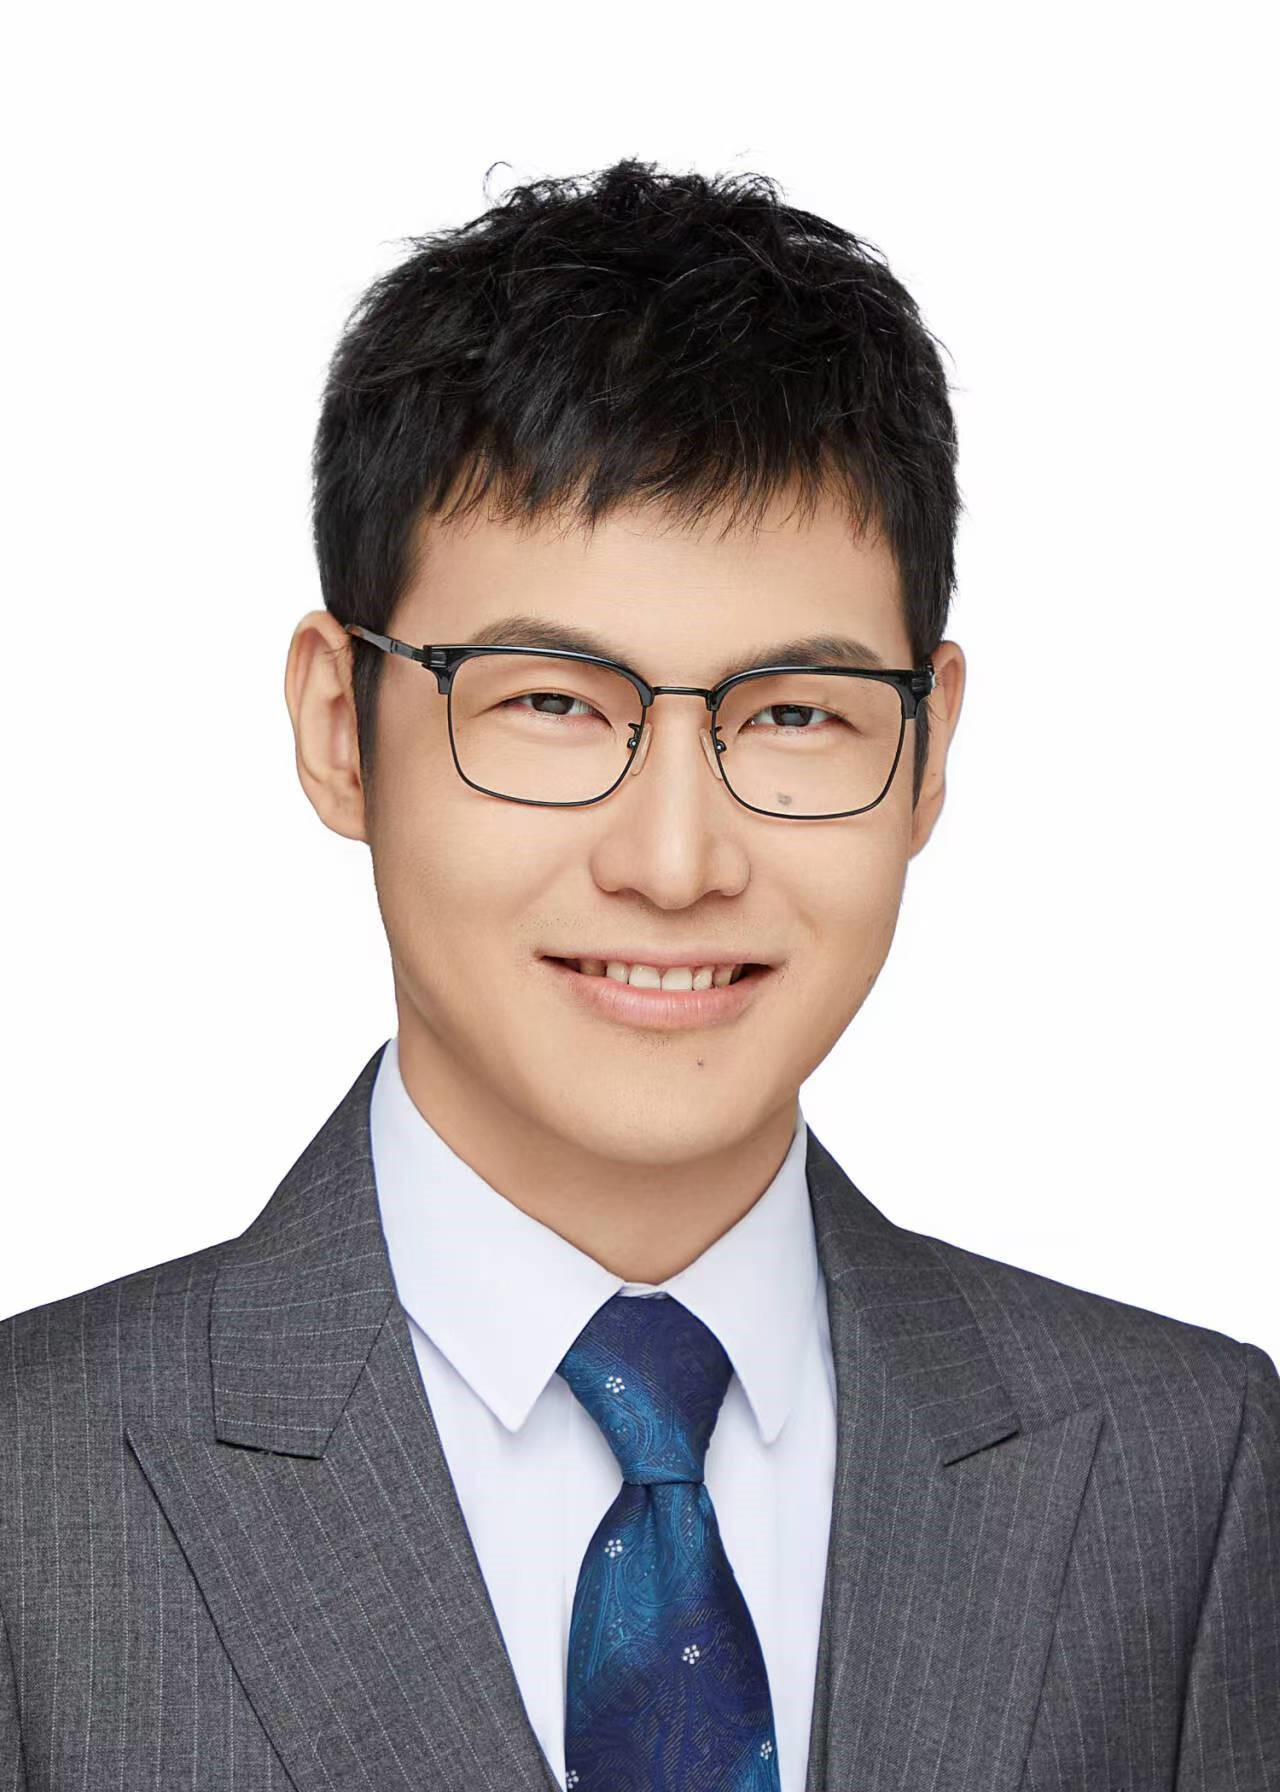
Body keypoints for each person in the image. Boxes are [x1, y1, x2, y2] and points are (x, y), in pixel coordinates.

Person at [1, 158, 1275, 1792]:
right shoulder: (37, 1497)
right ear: (339, 729)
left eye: (795, 714)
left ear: (928, 750)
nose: (675, 863)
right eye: (551, 703)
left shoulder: (1186, 1470)